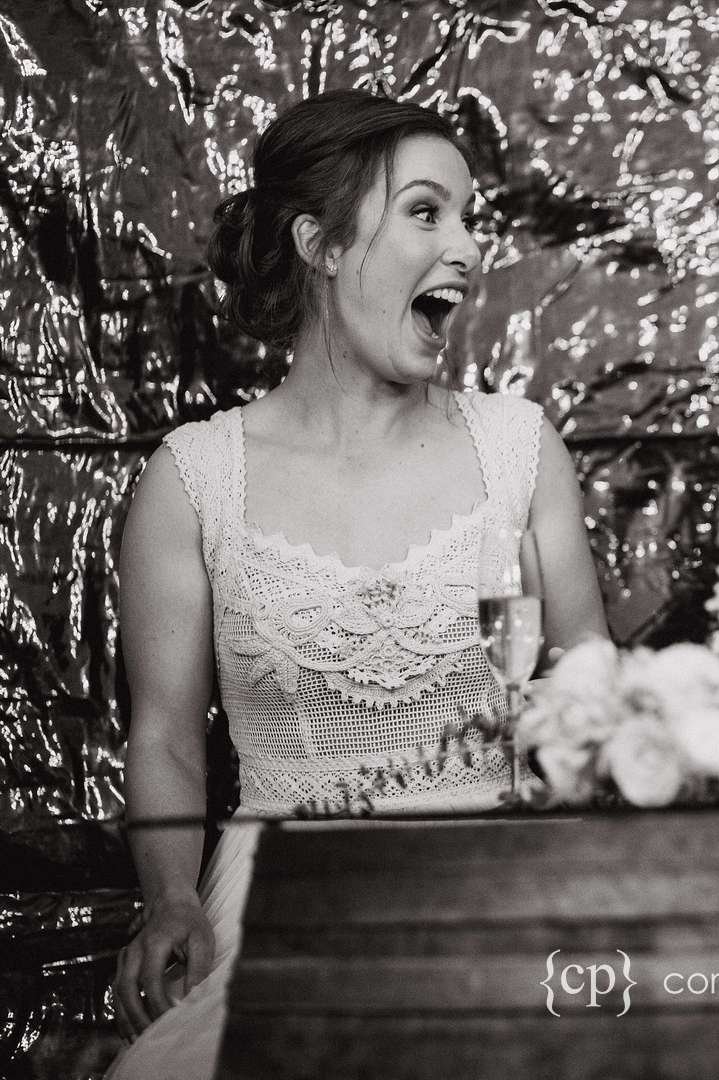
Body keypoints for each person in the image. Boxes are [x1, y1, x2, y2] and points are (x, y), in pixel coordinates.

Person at [107, 89, 609, 1078]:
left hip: (498, 885)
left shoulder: (517, 449)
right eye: (428, 212)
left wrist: (574, 756)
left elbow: (586, 665)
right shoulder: (195, 477)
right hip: (282, 894)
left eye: (470, 216)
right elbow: (164, 734)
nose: (465, 246)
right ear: (323, 244)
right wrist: (169, 898)